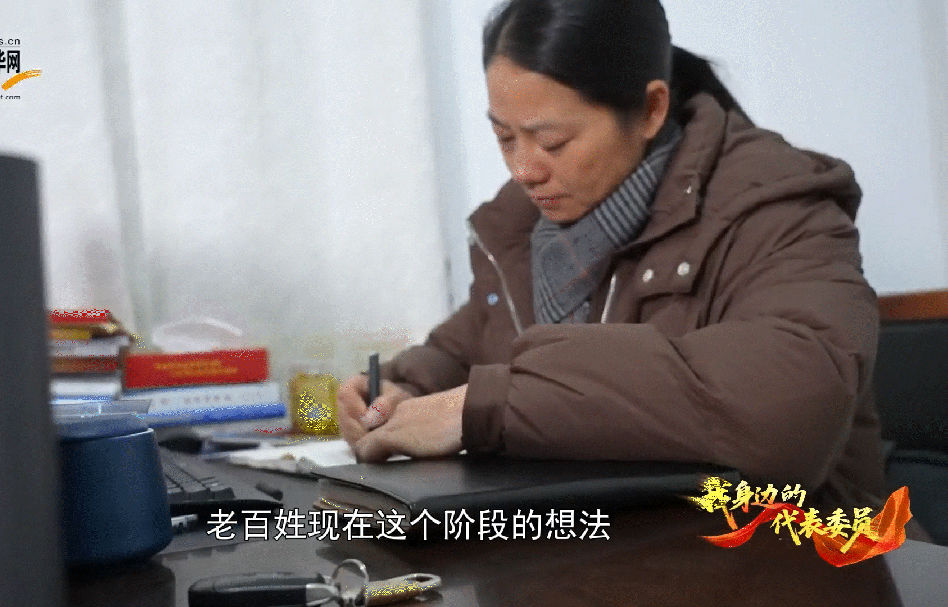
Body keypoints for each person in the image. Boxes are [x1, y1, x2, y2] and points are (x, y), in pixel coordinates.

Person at [337, 0, 885, 507]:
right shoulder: (525, 227)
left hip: (793, 551)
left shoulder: (774, 204)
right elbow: (468, 344)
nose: (524, 170)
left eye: (552, 142)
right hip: (604, 549)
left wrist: (489, 406)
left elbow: (791, 403)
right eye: (505, 138)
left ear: (650, 110)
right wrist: (401, 391)